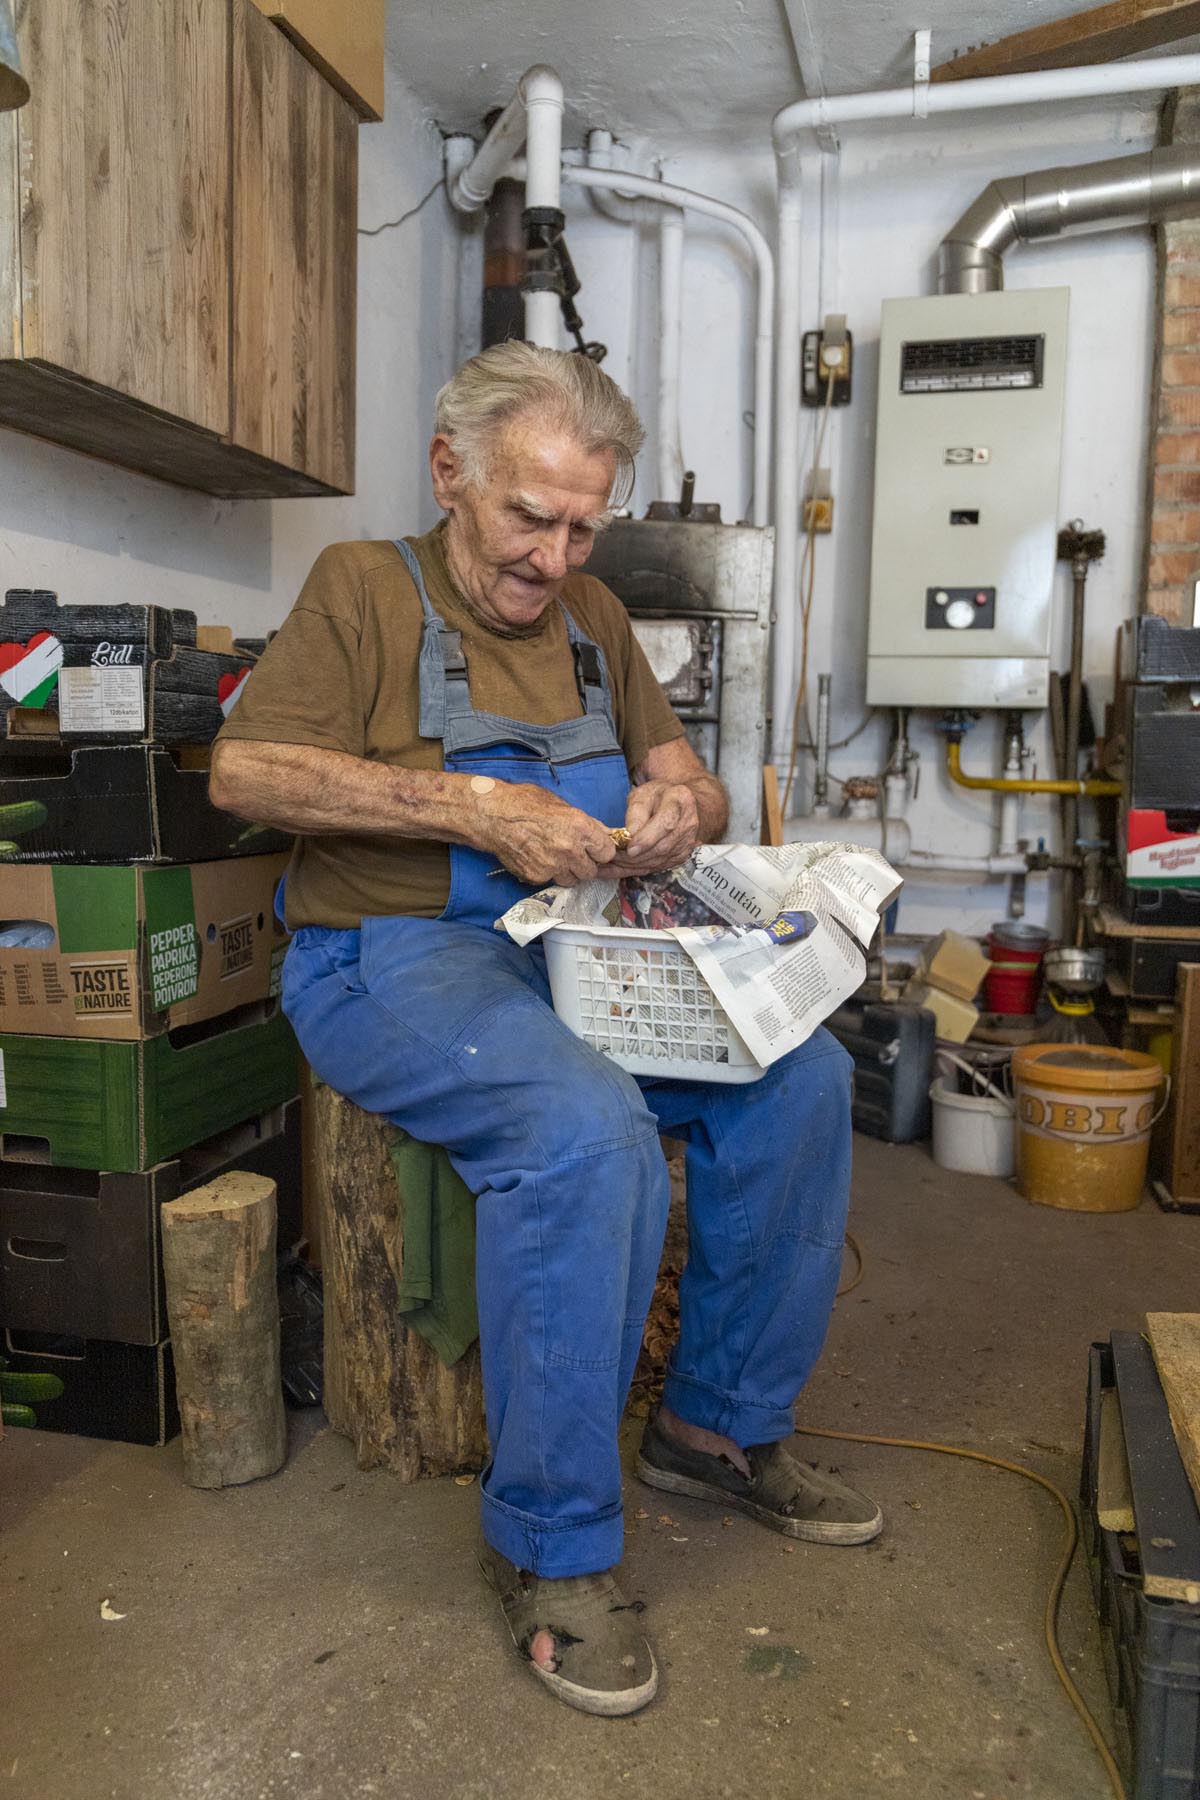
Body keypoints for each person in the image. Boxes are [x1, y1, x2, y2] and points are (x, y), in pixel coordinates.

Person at [209, 342, 880, 1719]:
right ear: (453, 472)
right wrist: (474, 808)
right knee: (585, 1136)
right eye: (531, 516)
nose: (552, 554)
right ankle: (551, 1544)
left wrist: (682, 809)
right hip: (392, 954)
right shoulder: (361, 587)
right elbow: (246, 769)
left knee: (802, 1079)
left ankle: (717, 1428)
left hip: (575, 951)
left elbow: (678, 766)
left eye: (583, 525)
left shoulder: (595, 618)